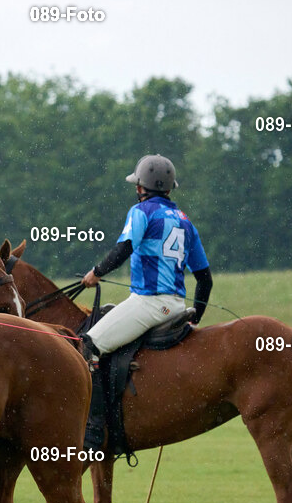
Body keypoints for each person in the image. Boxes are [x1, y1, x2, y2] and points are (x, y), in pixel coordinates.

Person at [79, 154, 213, 362]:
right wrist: (194, 319)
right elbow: (205, 280)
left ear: (140, 188)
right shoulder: (187, 223)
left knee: (87, 345)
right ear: (168, 190)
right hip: (177, 308)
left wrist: (96, 273)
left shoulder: (141, 211)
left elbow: (125, 248)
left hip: (149, 305)